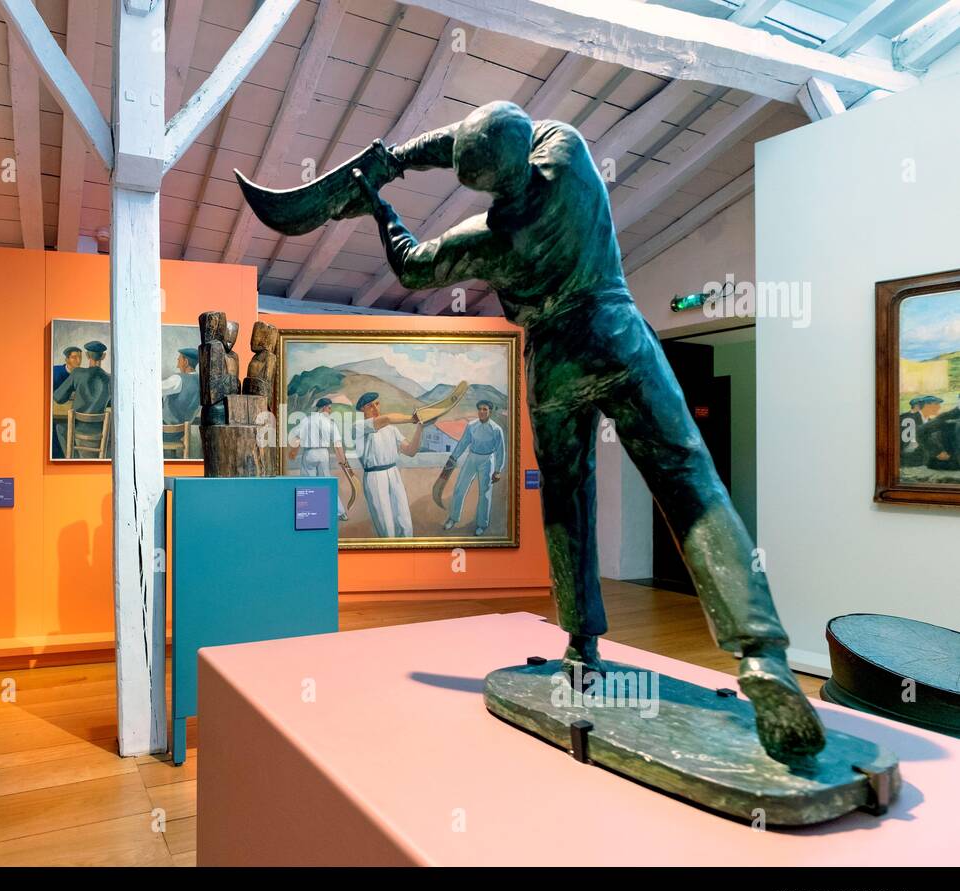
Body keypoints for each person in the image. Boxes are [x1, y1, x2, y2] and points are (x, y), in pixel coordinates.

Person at [348, 100, 824, 762]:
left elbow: (411, 265)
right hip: (619, 338)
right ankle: (763, 656)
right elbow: (484, 134)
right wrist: (400, 155)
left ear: (483, 178)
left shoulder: (483, 237)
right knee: (693, 485)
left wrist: (378, 197)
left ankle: (582, 647)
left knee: (568, 507)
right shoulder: (567, 155)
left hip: (555, 366)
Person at [352, 391, 422, 537]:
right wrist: (413, 418)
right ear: (362, 410)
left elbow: (410, 451)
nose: (376, 409)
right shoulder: (358, 427)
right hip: (374, 477)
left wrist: (421, 426)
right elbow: (388, 418)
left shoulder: (391, 429)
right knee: (386, 529)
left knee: (405, 524)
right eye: (370, 406)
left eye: (377, 404)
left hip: (394, 474)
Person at [443, 399, 505, 536]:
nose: (482, 412)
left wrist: (498, 470)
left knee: (485, 493)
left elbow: (500, 451)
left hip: (487, 460)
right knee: (459, 488)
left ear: (490, 411)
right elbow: (463, 442)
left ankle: (482, 524)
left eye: (485, 409)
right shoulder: (471, 426)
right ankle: (453, 518)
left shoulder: (496, 429)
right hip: (471, 458)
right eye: (480, 409)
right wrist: (453, 457)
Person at [290, 397, 353, 520]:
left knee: (308, 484)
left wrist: (293, 452)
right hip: (323, 454)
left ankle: (311, 514)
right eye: (329, 408)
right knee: (327, 482)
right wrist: (343, 461)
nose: (330, 411)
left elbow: (296, 438)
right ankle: (340, 513)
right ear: (324, 407)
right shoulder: (330, 423)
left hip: (309, 453)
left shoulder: (306, 420)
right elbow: (337, 445)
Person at [54, 341, 111, 456]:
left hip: (77, 430)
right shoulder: (110, 379)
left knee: (60, 427)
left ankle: (72, 457)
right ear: (103, 356)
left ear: (87, 355)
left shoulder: (77, 373)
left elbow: (58, 398)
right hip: (100, 433)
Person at [52, 345, 83, 457]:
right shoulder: (55, 372)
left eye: (80, 357)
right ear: (67, 360)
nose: (78, 360)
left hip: (71, 412)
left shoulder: (82, 374)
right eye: (74, 357)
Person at [162, 347, 201, 426]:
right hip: (183, 431)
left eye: (179, 361)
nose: (177, 366)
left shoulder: (178, 379)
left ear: (186, 362)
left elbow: (155, 390)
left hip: (167, 431)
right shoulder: (200, 381)